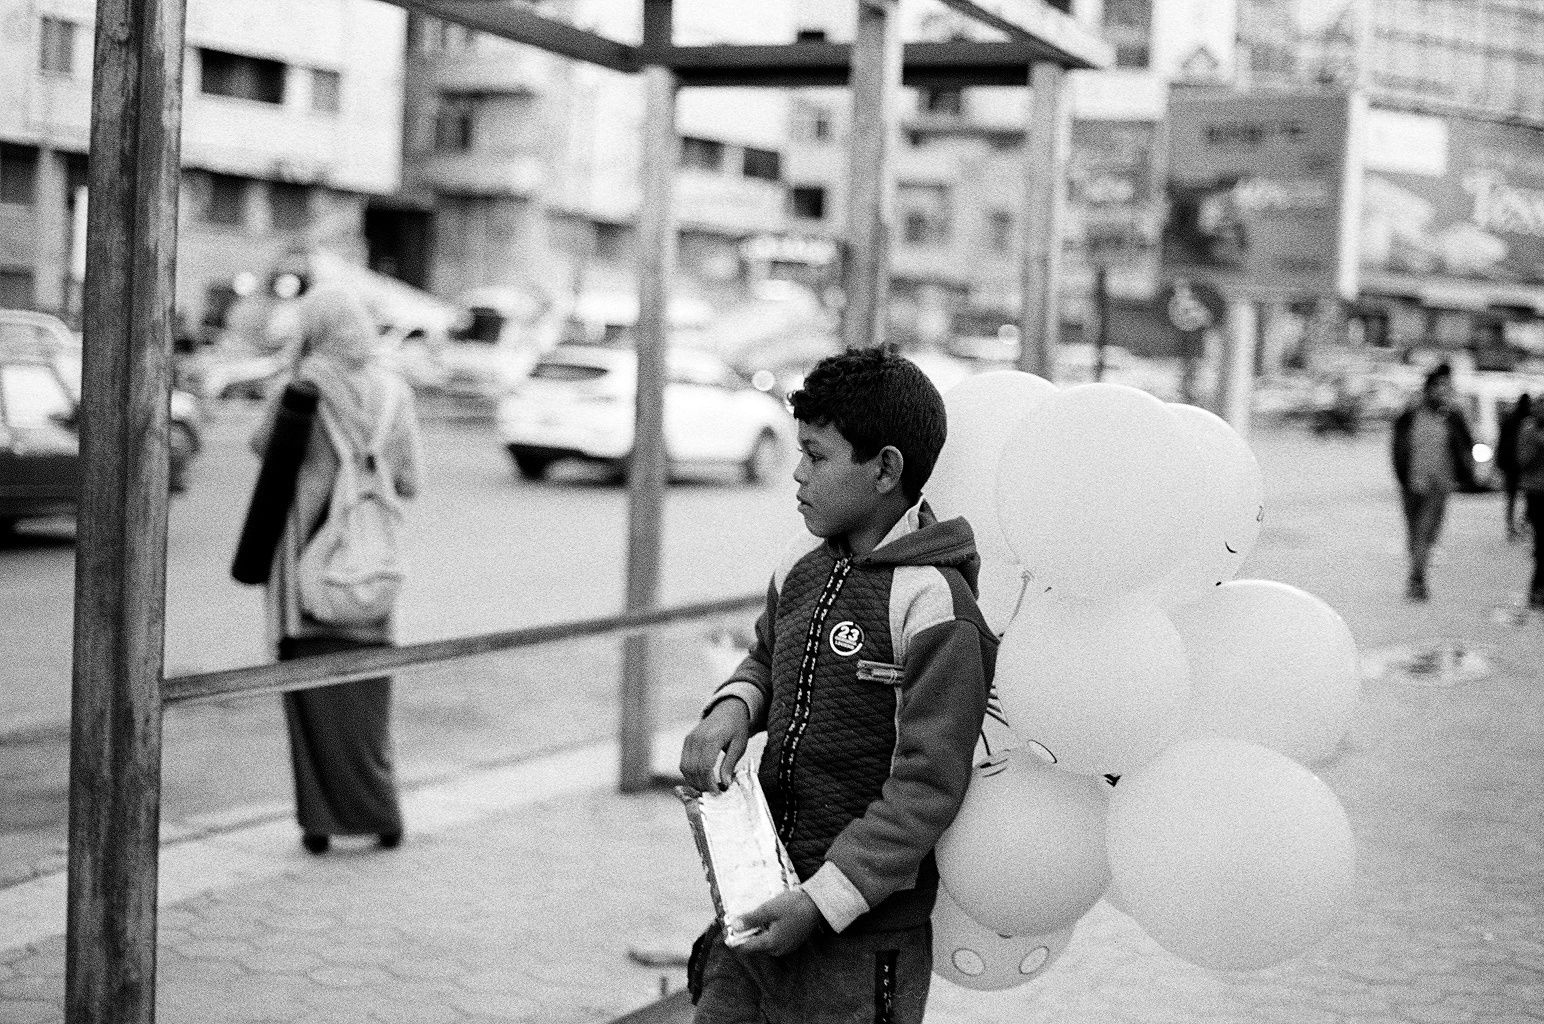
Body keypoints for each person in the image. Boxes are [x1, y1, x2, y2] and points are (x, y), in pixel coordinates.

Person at [679, 347, 998, 1024]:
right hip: (760, 909)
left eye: (817, 457)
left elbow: (927, 786)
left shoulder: (935, 606)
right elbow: (768, 656)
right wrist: (735, 705)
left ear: (884, 468)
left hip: (863, 945)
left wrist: (822, 903)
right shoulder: (799, 565)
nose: (796, 473)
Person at [250, 285, 423, 855]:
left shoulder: (296, 390)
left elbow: (260, 447)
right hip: (369, 572)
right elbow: (408, 484)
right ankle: (382, 813)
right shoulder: (395, 392)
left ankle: (321, 823)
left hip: (307, 573)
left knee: (310, 698)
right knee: (368, 701)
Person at [1390, 362, 1476, 602]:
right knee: (1413, 532)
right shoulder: (1410, 413)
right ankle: (1417, 575)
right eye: (1438, 388)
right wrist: (1400, 473)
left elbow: (1467, 443)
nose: (1443, 393)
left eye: (1446, 388)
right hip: (1411, 483)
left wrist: (1466, 471)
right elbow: (1397, 445)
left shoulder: (1453, 415)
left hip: (1439, 484)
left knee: (1426, 532)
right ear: (1427, 389)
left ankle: (1417, 578)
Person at [1514, 399, 1544, 608]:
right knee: (1542, 542)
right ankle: (1537, 589)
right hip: (1535, 491)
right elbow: (1522, 459)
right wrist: (1537, 443)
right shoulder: (1528, 429)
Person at [1497, 393, 1531, 540]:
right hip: (1520, 465)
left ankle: (1512, 525)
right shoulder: (1528, 422)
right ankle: (1520, 524)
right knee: (1526, 497)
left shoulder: (1511, 420)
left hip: (1513, 465)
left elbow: (1502, 443)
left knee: (1512, 497)